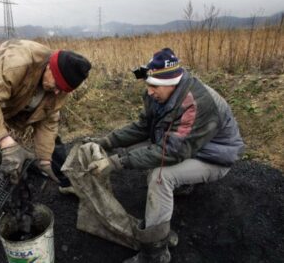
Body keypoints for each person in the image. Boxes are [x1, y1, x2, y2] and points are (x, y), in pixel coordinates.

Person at [87, 48, 244, 263]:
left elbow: (171, 151)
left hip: (213, 158)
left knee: (160, 177)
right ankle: (183, 186)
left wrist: (115, 162)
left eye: (154, 86)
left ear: (173, 82)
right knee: (150, 156)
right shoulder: (159, 94)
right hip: (192, 146)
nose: (149, 91)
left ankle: (155, 254)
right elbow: (143, 127)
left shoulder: (196, 104)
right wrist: (108, 141)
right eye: (148, 84)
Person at [0, 39, 91, 193]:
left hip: (22, 100)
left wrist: (45, 159)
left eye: (63, 90)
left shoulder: (59, 88)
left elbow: (48, 121)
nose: (57, 92)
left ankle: (64, 181)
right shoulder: (16, 62)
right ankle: (7, 191)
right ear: (49, 67)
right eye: (58, 86)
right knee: (2, 151)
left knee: (53, 142)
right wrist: (5, 141)